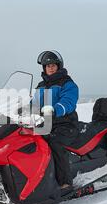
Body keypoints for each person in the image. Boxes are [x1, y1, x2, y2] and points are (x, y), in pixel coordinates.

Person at [33, 50, 79, 188]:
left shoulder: (67, 83)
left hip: (65, 124)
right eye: (48, 66)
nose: (50, 68)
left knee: (54, 142)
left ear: (58, 66)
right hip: (45, 123)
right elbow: (34, 103)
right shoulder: (41, 86)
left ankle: (64, 182)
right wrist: (21, 110)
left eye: (53, 65)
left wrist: (54, 110)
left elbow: (68, 102)